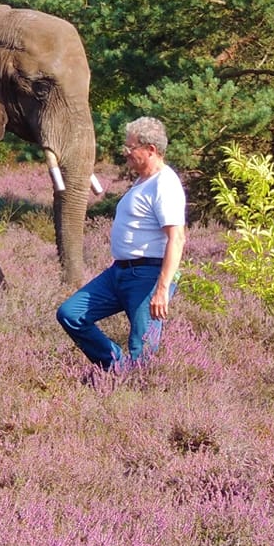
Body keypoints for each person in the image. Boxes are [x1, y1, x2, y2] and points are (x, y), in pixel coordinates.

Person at [56, 117, 187, 370]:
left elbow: (177, 238)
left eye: (131, 147)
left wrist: (162, 289)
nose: (125, 153)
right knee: (71, 314)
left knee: (142, 350)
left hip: (147, 276)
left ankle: (136, 395)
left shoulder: (165, 184)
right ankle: (117, 368)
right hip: (119, 272)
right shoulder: (141, 182)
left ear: (150, 150)